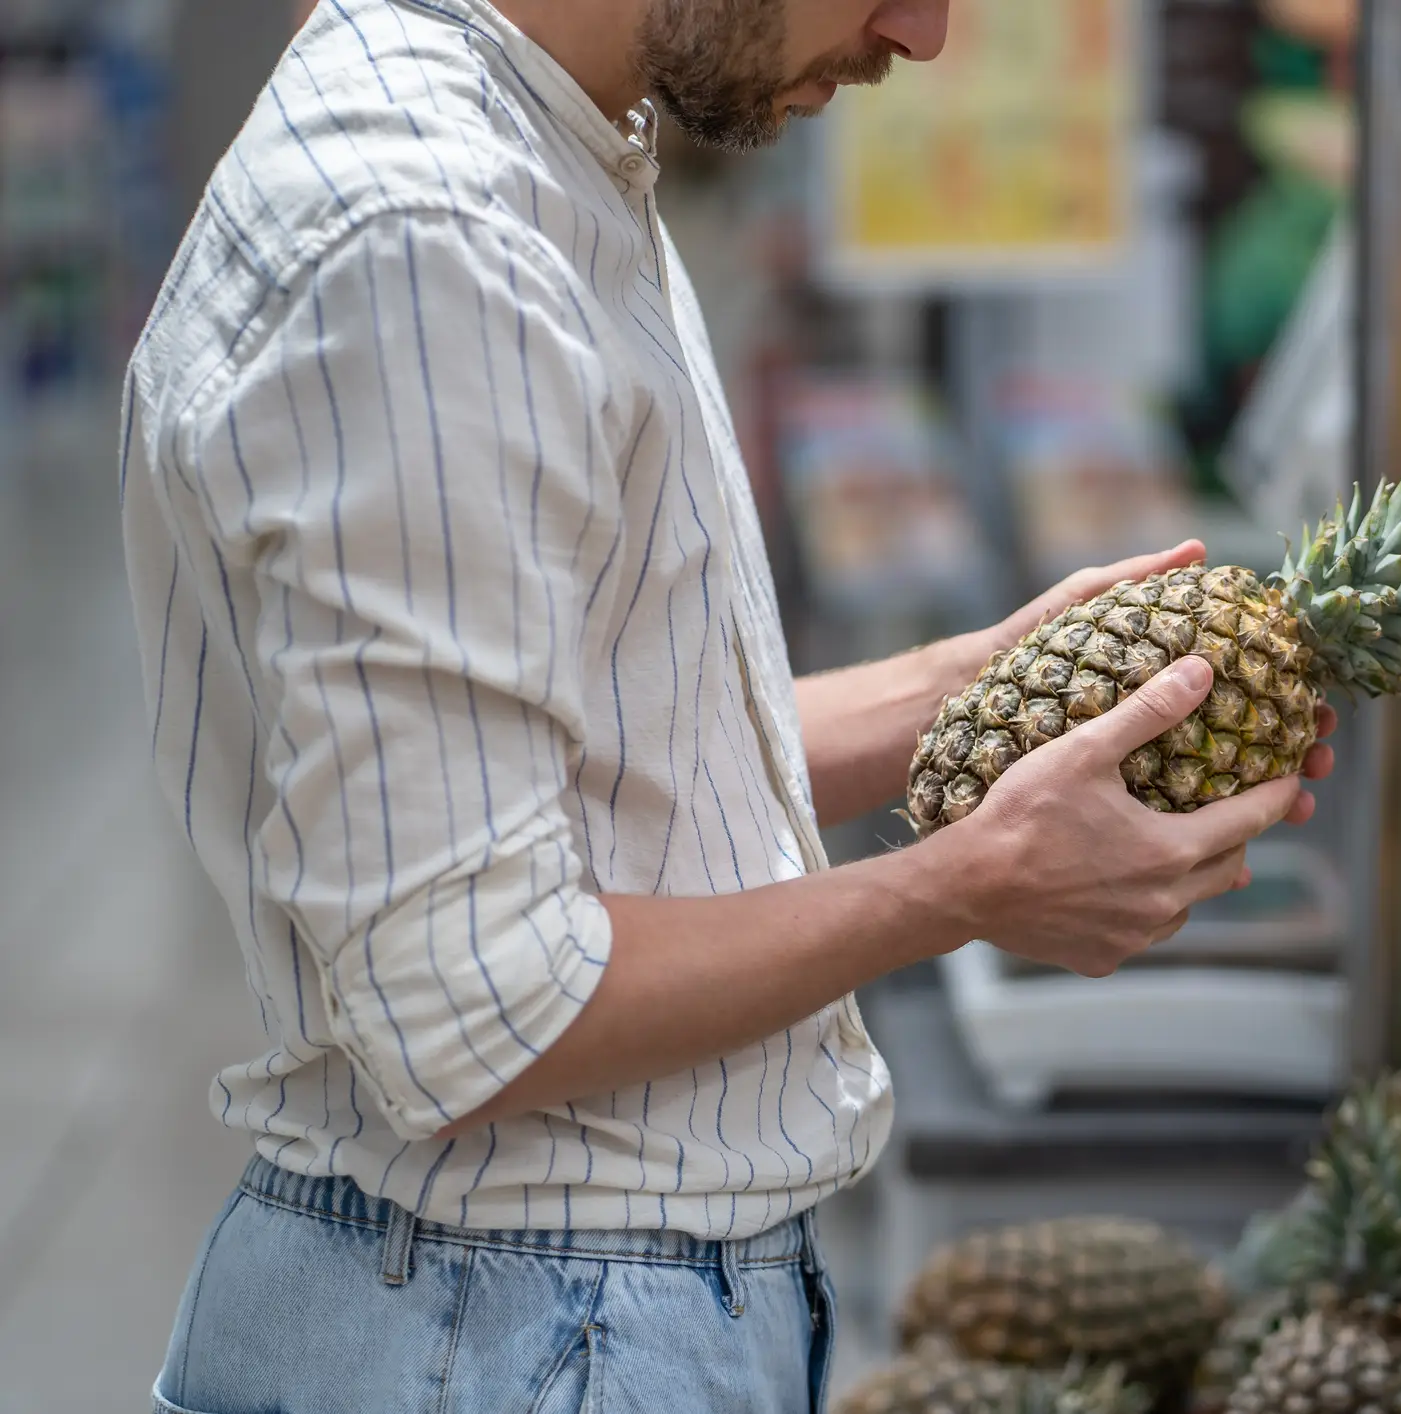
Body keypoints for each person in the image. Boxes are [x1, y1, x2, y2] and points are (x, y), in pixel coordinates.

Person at [122, 0, 1338, 1409]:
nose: (926, 34)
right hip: (523, 1329)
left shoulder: (540, 152)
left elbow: (607, 767)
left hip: (518, 1308)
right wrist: (965, 885)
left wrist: (976, 683)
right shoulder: (431, 241)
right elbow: (478, 998)